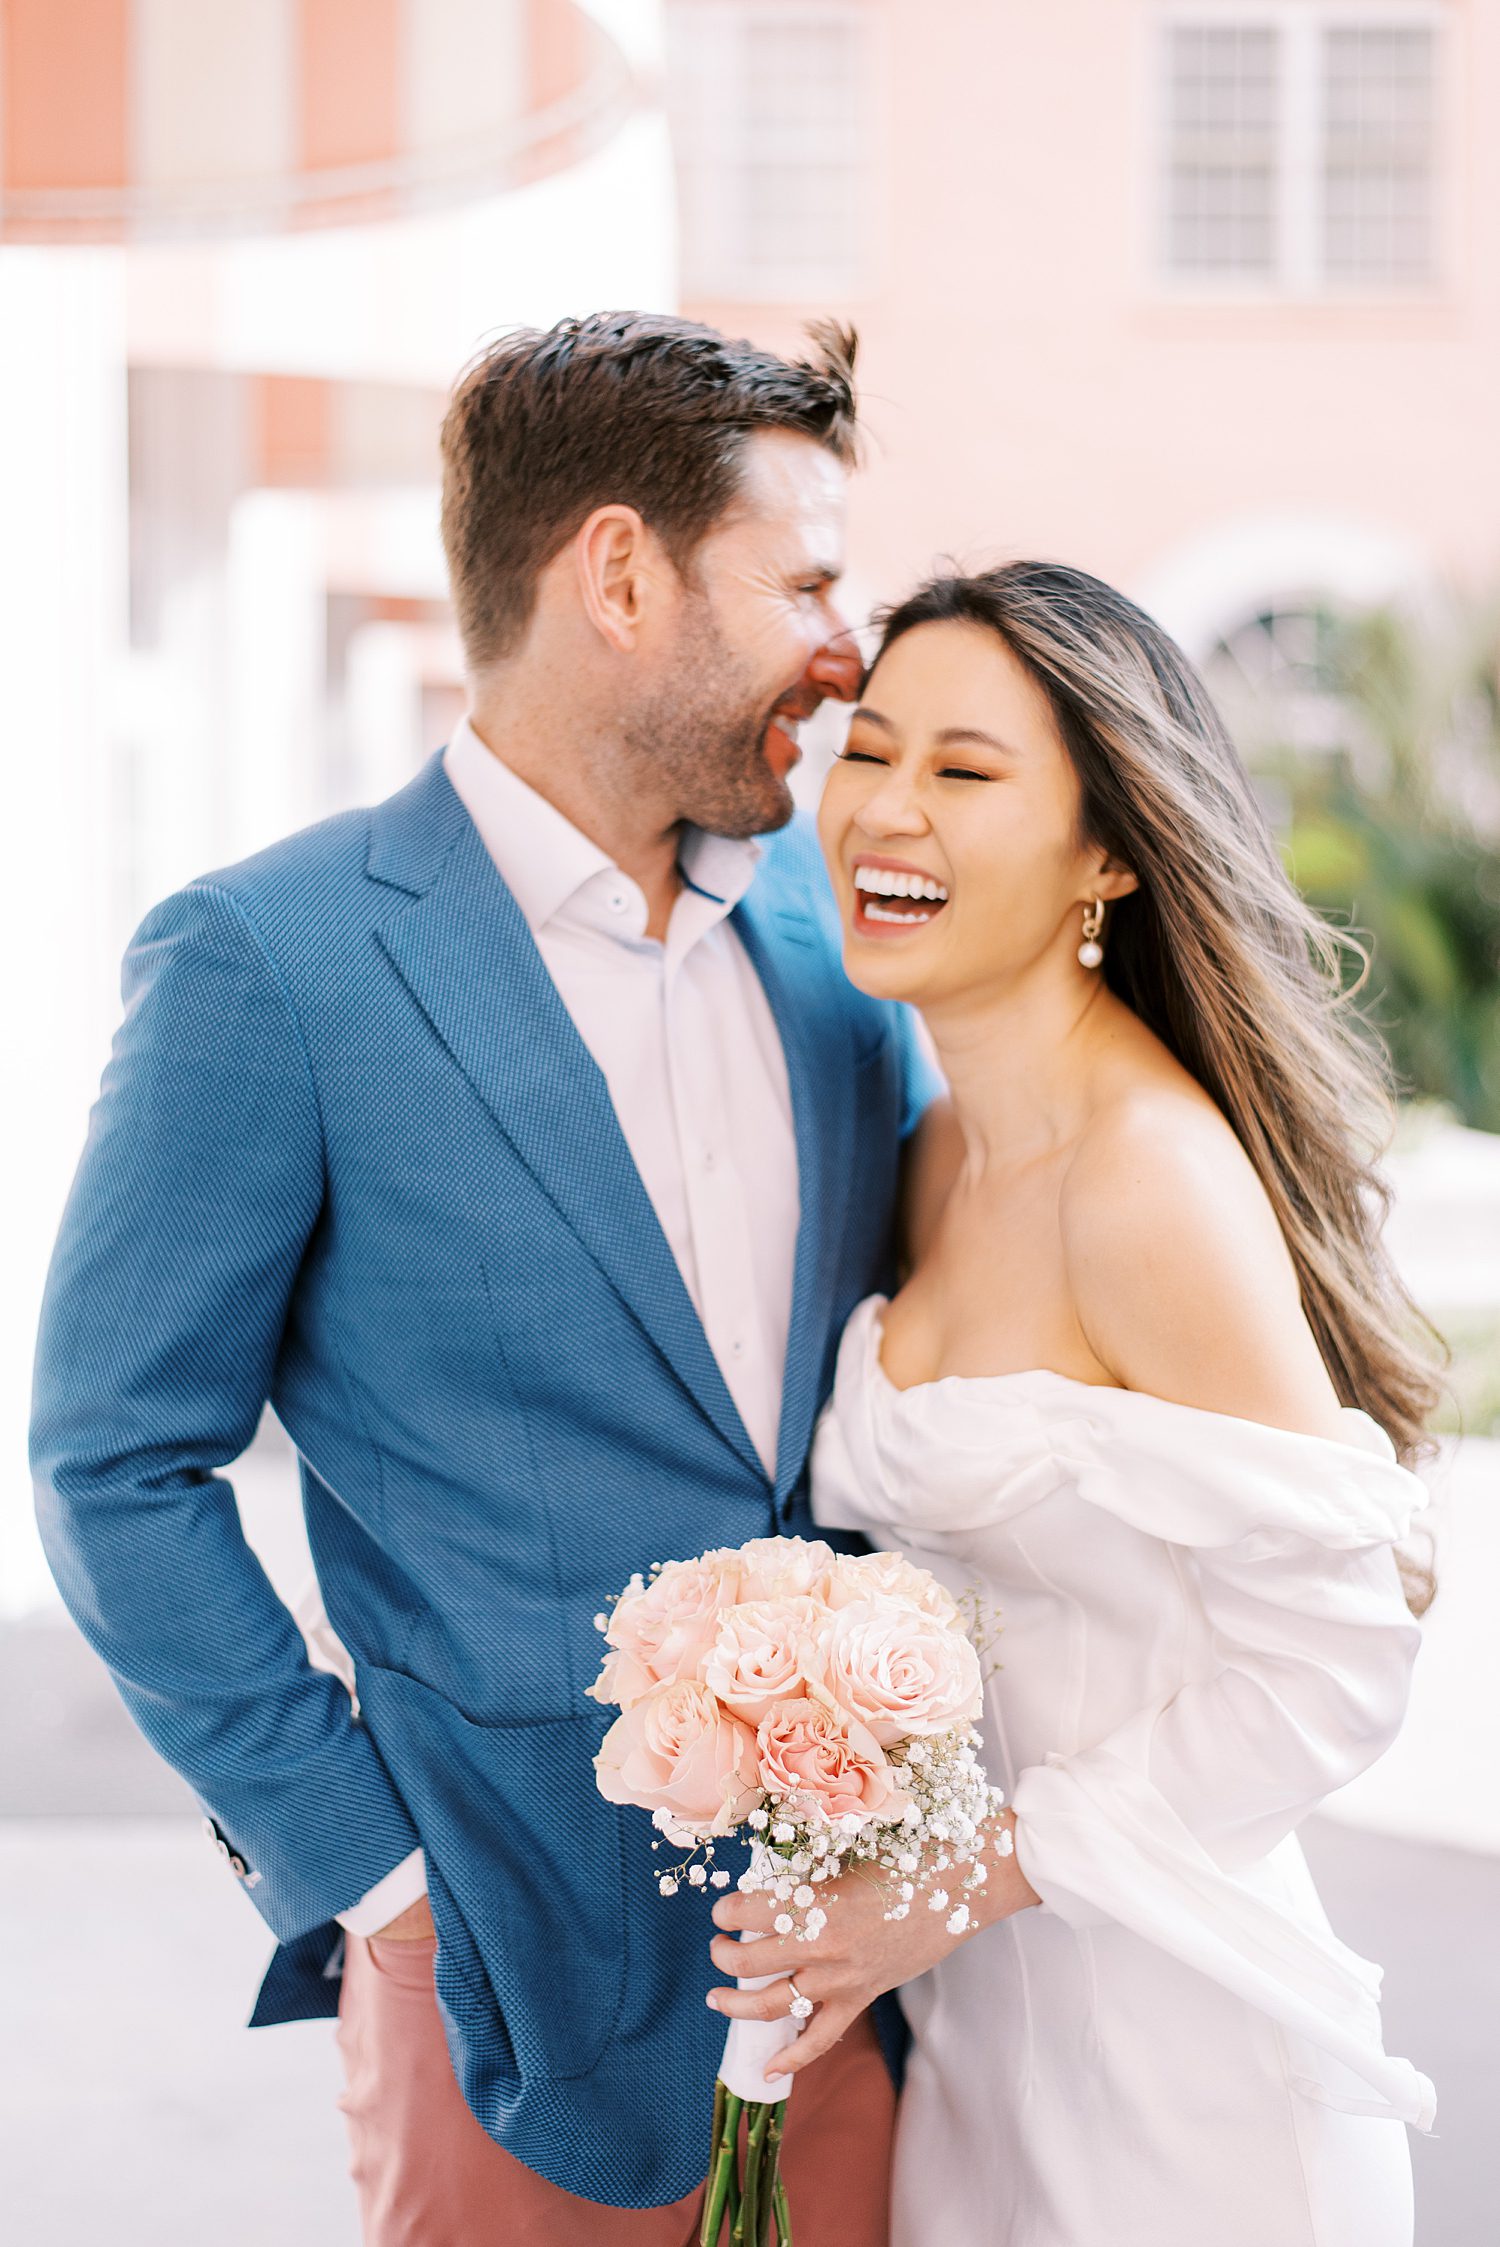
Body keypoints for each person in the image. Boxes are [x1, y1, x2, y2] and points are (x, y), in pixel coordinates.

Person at [30, 313, 938, 2246]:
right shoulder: (271, 964)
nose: (844, 645)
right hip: (499, 1986)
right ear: (618, 573)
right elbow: (114, 1460)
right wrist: (370, 1880)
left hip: (865, 1970)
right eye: (803, 579)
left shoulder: (844, 938)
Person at [705, 562, 1438, 2247]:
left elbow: (1334, 1669)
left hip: (1179, 2063)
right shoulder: (936, 1146)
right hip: (979, 2038)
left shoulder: (1148, 1181)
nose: (888, 810)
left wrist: (947, 1887)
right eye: (869, 752)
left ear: (1109, 849)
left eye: (964, 773)